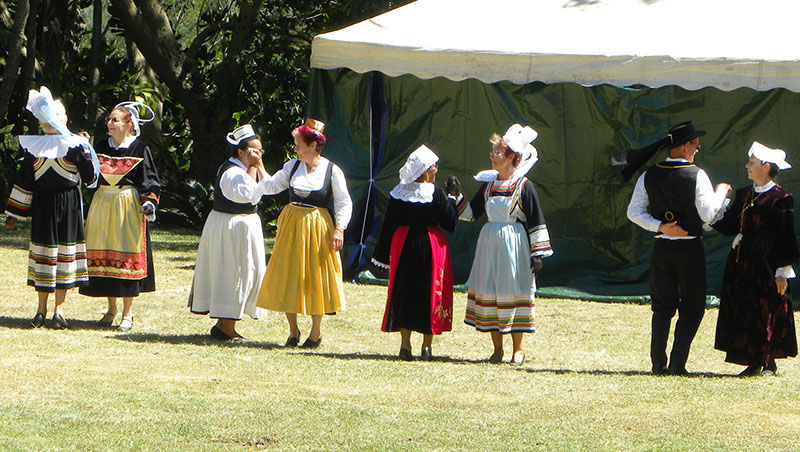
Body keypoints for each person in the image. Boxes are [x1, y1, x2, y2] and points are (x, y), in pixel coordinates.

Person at [626, 121, 730, 375]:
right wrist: (721, 192)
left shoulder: (649, 174)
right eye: (695, 145)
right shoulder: (697, 174)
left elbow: (634, 212)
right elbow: (708, 214)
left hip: (662, 248)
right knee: (692, 307)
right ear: (684, 146)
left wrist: (660, 226)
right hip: (689, 249)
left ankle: (657, 363)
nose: (697, 150)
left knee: (662, 307)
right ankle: (677, 363)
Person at [449, 124, 553, 366]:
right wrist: (456, 196)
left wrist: (537, 253)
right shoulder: (488, 185)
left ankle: (518, 349)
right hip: (490, 243)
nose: (492, 156)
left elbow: (536, 219)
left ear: (511, 157)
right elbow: (471, 214)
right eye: (493, 152)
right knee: (492, 289)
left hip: (514, 245)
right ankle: (497, 349)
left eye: (496, 152)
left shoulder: (524, 186)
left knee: (513, 290)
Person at [4, 87, 97, 329]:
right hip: (67, 204)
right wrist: (87, 149)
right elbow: (90, 178)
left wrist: (13, 215)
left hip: (45, 205)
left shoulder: (35, 148)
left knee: (45, 253)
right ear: (62, 118)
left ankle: (43, 310)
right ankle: (57, 310)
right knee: (63, 253)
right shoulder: (74, 146)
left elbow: (24, 182)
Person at [256, 119, 352, 348]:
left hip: (318, 227)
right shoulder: (292, 166)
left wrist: (339, 229)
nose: (296, 149)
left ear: (313, 145)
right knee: (289, 273)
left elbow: (343, 202)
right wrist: (258, 164)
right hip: (292, 226)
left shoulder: (332, 170)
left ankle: (315, 332)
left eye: (299, 144)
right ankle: (293, 331)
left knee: (315, 276)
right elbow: (271, 186)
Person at [711, 141, 798, 377]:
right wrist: (717, 206)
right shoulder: (744, 194)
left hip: (766, 263)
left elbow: (785, 236)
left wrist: (782, 271)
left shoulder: (781, 198)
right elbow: (730, 226)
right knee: (745, 307)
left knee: (766, 308)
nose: (747, 166)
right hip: (742, 261)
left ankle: (767, 361)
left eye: (752, 162)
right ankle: (752, 358)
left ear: (766, 166)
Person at [372, 145, 458, 360]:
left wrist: (381, 256)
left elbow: (388, 225)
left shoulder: (399, 193)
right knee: (429, 293)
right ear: (425, 171)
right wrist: (452, 197)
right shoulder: (436, 194)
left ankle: (405, 345)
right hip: (431, 246)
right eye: (433, 167)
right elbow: (450, 223)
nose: (436, 170)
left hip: (404, 246)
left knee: (405, 292)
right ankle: (426, 347)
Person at [80, 101, 161, 332]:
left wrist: (148, 202)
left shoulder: (139, 149)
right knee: (106, 255)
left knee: (125, 256)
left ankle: (128, 313)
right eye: (109, 119)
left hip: (127, 205)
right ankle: (111, 309)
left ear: (129, 124)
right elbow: (90, 176)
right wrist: (84, 151)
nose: (110, 123)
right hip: (102, 203)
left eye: (115, 120)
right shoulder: (100, 146)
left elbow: (150, 180)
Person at [188, 124, 269, 341]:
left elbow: (268, 186)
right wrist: (253, 167)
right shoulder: (233, 172)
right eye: (253, 151)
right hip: (231, 227)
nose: (257, 155)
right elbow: (246, 194)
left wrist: (257, 166)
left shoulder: (247, 169)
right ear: (241, 151)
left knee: (242, 272)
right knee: (233, 273)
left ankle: (223, 324)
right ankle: (227, 326)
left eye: (260, 151)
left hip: (243, 225)